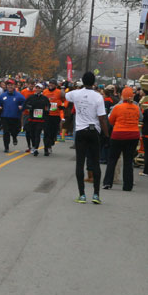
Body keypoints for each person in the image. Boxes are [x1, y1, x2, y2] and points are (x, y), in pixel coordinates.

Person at [66, 72, 109, 204]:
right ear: (94, 82)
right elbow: (102, 118)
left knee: (80, 162)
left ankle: (82, 195)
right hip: (93, 131)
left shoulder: (76, 94)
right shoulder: (98, 97)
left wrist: (74, 88)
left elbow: (65, 95)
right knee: (95, 163)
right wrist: (106, 135)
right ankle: (96, 194)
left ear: (83, 81)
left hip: (80, 130)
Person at [103, 87, 141, 191]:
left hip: (118, 134)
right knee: (128, 160)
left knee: (112, 159)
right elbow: (140, 118)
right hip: (133, 135)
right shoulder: (136, 108)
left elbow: (110, 120)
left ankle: (107, 182)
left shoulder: (117, 107)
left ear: (122, 96)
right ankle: (128, 185)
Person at [0, 80, 26, 152]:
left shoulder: (19, 96)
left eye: (11, 85)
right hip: (5, 117)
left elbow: (24, 103)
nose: (10, 86)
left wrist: (22, 107)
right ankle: (6, 147)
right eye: (8, 85)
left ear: (15, 86)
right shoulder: (3, 95)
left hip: (15, 117)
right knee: (6, 132)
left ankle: (14, 137)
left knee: (15, 131)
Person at [24, 83, 50, 156]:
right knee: (32, 134)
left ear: (42, 89)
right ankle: (33, 146)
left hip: (40, 119)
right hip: (32, 118)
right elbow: (26, 104)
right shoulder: (31, 97)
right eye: (37, 88)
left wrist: (46, 111)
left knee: (37, 133)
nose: (38, 89)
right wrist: (29, 108)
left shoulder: (44, 98)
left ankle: (36, 148)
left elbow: (48, 106)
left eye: (39, 88)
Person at [43, 79, 66, 155]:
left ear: (55, 85)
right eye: (50, 83)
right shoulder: (45, 91)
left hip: (56, 115)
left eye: (52, 84)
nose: (51, 85)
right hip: (47, 115)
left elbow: (64, 100)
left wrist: (62, 106)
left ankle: (52, 141)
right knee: (46, 132)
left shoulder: (59, 92)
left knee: (53, 132)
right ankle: (46, 148)